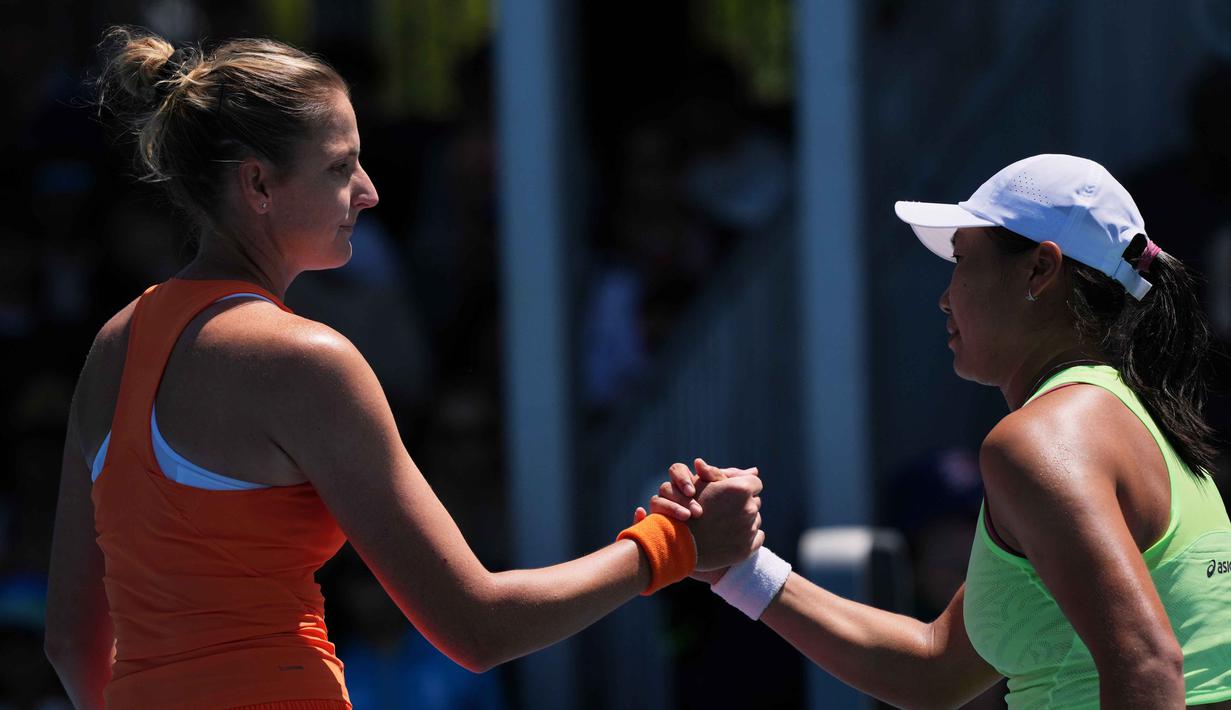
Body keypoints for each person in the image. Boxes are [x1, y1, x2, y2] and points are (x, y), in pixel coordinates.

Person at [42, 27, 766, 710]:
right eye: (338, 167)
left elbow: (73, 641)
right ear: (258, 185)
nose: (368, 190)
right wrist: (677, 545)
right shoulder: (305, 360)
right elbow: (478, 628)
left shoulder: (115, 343)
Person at [648, 155, 1231, 708]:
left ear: (1039, 269)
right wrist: (740, 570)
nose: (944, 297)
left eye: (961, 261)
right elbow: (934, 670)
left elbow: (1149, 666)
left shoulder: (1036, 441)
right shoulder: (1139, 420)